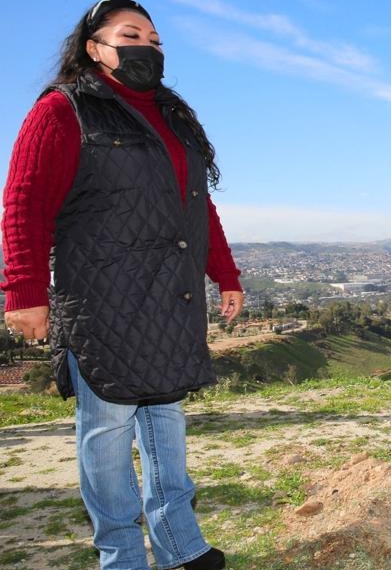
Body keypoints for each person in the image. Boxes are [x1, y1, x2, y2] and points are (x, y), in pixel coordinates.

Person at [1, 1, 243, 568]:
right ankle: (122, 556)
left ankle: (182, 547)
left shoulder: (171, 116)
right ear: (94, 47)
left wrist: (225, 275)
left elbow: (197, 206)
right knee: (106, 429)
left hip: (170, 294)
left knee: (165, 419)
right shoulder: (64, 111)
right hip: (102, 297)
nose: (147, 47)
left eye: (156, 40)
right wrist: (24, 291)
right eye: (131, 34)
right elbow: (24, 203)